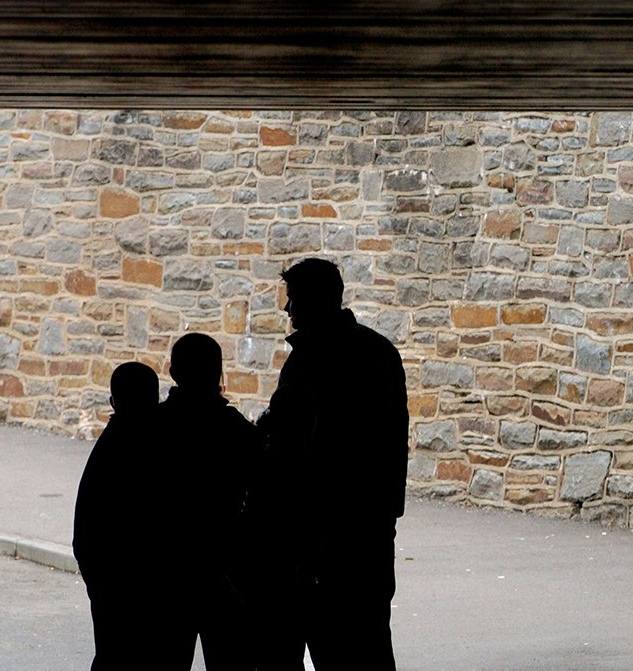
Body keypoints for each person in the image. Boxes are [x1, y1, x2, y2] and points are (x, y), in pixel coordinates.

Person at [249, 257, 409, 671]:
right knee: (366, 646)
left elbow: (289, 440)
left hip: (320, 535)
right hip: (367, 533)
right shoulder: (379, 353)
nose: (287, 310)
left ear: (316, 300)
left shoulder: (311, 360)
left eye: (293, 299)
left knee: (331, 643)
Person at [161, 333, 262, 669]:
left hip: (166, 569)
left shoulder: (151, 427)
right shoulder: (235, 431)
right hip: (223, 567)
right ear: (218, 373)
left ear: (174, 372)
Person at [75, 361, 176, 670]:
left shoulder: (111, 448)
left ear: (114, 402)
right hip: (141, 583)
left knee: (114, 654)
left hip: (112, 581)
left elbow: (86, 532)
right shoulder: (159, 443)